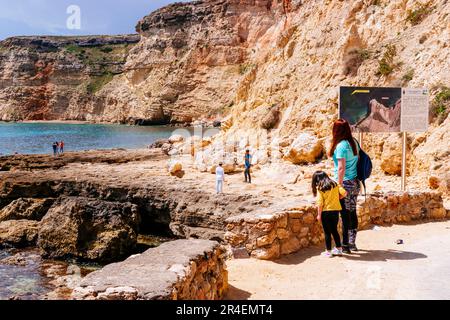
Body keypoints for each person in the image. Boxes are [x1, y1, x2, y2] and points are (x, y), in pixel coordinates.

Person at [329, 119, 361, 253]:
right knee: (352, 212)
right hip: (355, 182)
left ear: (336, 130)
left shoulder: (341, 146)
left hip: (345, 184)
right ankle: (352, 243)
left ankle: (345, 245)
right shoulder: (354, 142)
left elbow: (341, 168)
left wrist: (339, 186)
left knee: (345, 214)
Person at [312, 171, 347, 258]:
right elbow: (345, 193)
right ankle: (339, 250)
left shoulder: (320, 187)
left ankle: (328, 252)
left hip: (326, 212)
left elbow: (320, 203)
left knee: (327, 232)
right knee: (334, 230)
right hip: (335, 211)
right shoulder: (334, 184)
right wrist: (337, 198)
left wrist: (319, 215)